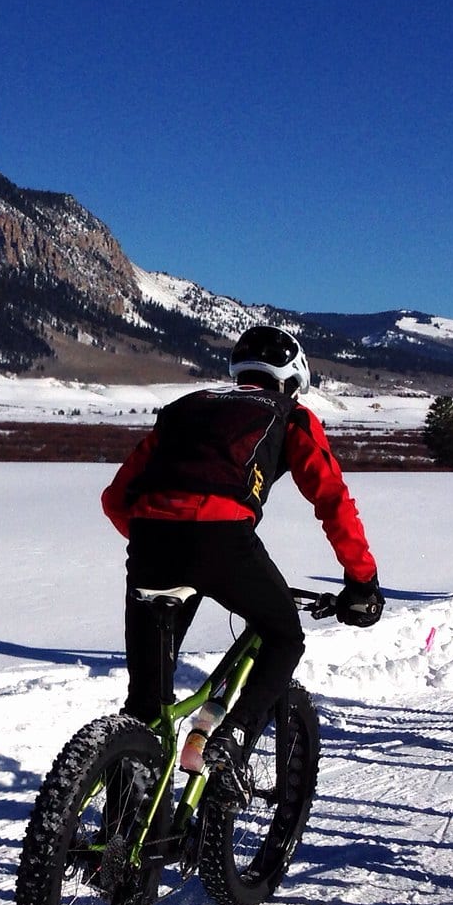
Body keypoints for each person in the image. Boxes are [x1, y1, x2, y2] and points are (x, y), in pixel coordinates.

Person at [101, 324, 383, 798]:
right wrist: (362, 581)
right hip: (223, 541)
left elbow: (115, 498)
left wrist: (165, 544)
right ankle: (230, 739)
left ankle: (121, 843)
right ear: (293, 381)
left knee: (146, 702)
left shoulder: (184, 408)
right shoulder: (291, 415)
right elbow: (332, 500)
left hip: (150, 543)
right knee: (284, 635)